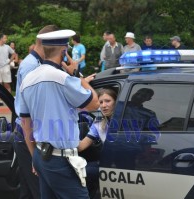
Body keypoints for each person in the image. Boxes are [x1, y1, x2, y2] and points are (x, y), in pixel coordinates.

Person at [20, 29, 100, 199]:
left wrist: (34, 157)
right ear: (64, 52)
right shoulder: (62, 78)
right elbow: (94, 104)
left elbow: (26, 125)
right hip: (61, 160)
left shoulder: (28, 79)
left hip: (41, 156)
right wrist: (80, 78)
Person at [14, 24, 59, 199]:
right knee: (39, 190)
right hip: (29, 134)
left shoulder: (36, 63)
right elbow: (34, 108)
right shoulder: (31, 66)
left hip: (27, 132)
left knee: (27, 191)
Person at [78, 88, 117, 199]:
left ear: (115, 101)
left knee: (85, 172)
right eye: (101, 102)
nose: (104, 105)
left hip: (122, 164)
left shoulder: (123, 120)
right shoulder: (99, 123)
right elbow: (81, 146)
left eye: (107, 101)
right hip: (107, 163)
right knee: (80, 171)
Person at [0, 33, 16, 106]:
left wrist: (9, 61)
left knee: (7, 84)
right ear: (1, 38)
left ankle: (9, 100)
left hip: (6, 67)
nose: (6, 39)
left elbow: (14, 54)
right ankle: (0, 101)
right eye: (5, 38)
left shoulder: (7, 47)